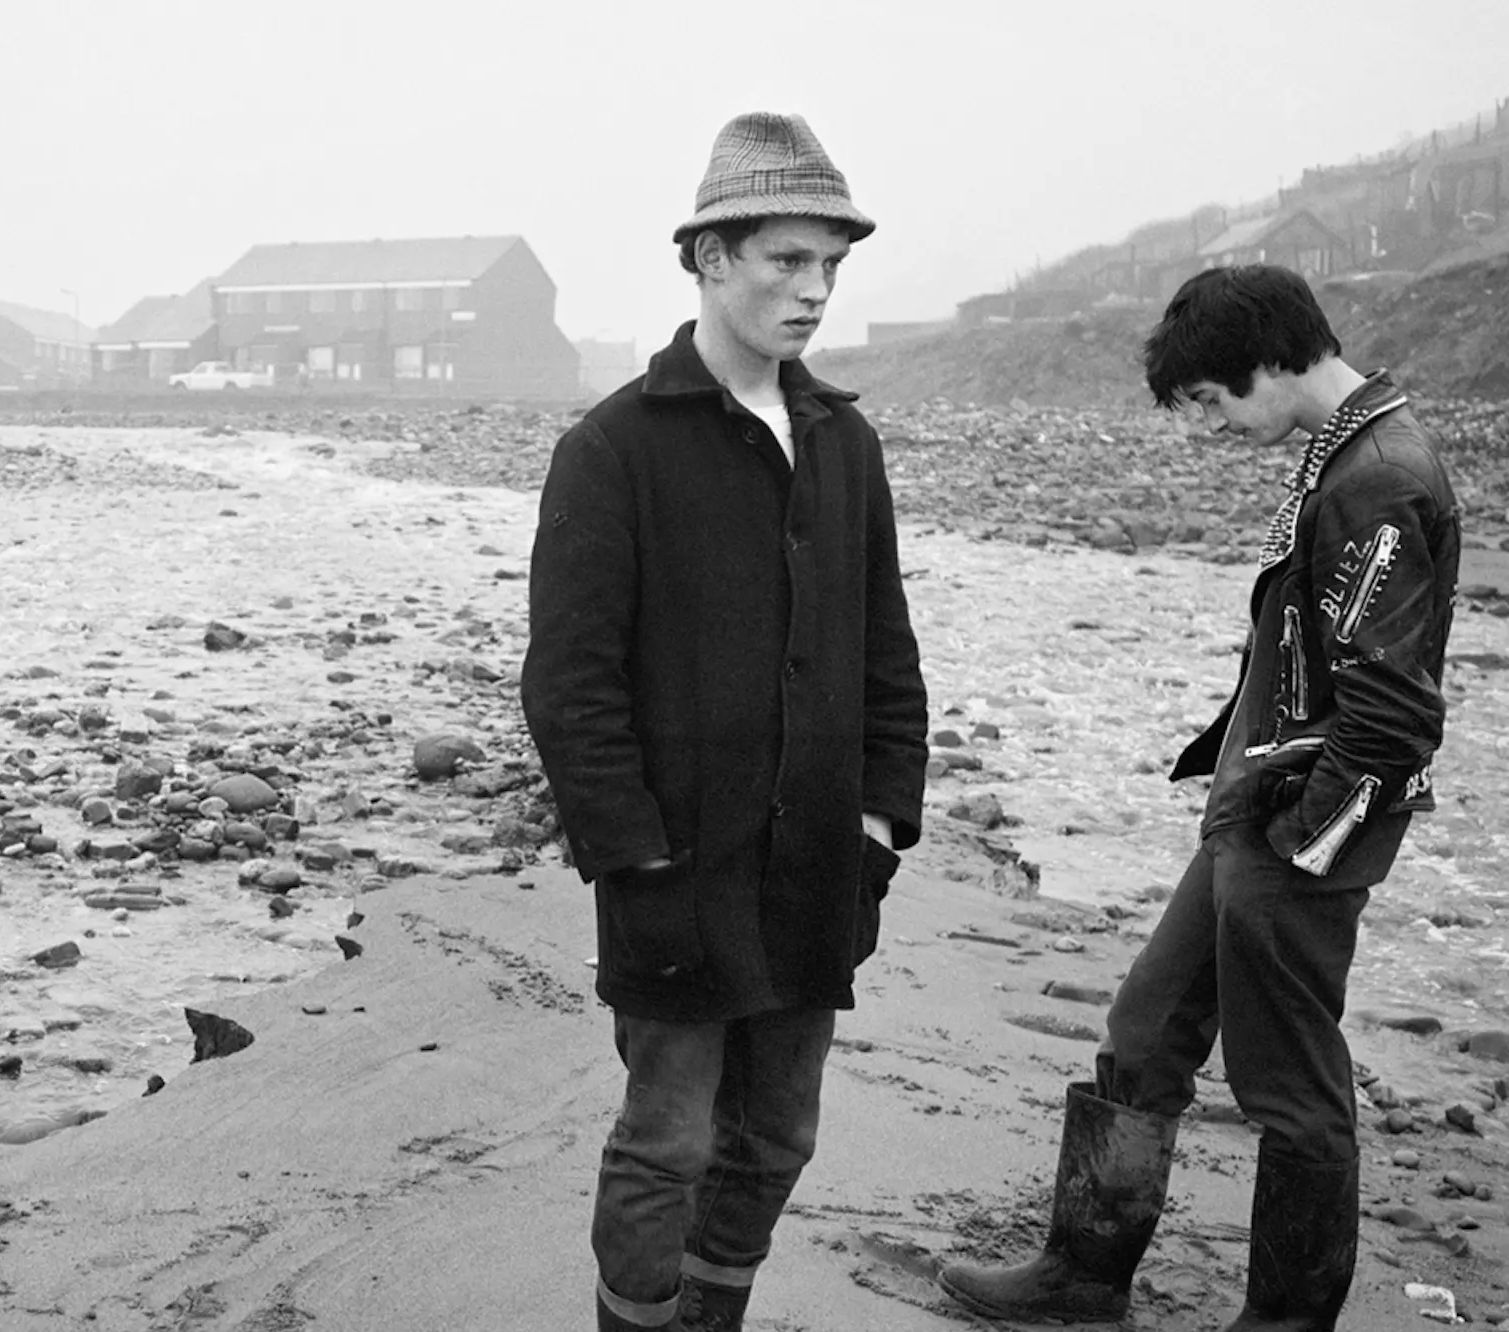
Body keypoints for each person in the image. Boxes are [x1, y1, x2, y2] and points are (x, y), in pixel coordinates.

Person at [936, 264, 1461, 1331]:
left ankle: (1283, 1323)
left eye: (1212, 403)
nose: (1207, 429)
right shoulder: (1344, 453)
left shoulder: (1376, 477)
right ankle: (1083, 1280)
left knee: (1288, 1089)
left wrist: (1296, 849)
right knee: (1143, 1032)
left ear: (1273, 361)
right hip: (1257, 815)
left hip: (1297, 835)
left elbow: (1395, 718)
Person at [521, 111, 930, 1332]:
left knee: (778, 1134)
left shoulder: (841, 440)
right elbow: (569, 682)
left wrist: (876, 823)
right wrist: (630, 851)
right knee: (667, 1144)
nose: (814, 292)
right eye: (786, 261)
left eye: (830, 268)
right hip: (673, 870)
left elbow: (885, 651)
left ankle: (713, 1318)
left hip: (817, 863)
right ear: (708, 258)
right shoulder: (612, 449)